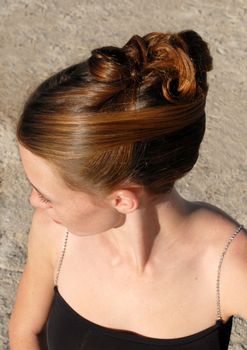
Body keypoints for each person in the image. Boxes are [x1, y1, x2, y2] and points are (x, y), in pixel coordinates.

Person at [8, 30, 246, 350]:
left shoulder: (228, 268)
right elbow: (25, 333)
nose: (34, 201)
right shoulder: (53, 232)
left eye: (47, 195)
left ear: (121, 200)